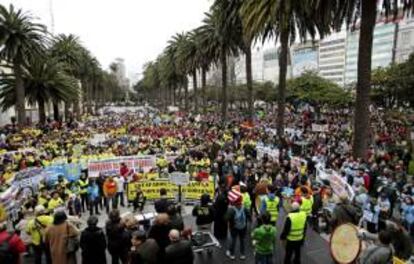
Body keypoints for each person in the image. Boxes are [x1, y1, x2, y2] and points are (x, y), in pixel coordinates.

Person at [226, 196, 249, 260]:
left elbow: (225, 218)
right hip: (243, 226)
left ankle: (232, 254)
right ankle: (242, 254)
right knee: (242, 240)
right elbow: (249, 215)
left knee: (233, 240)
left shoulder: (231, 209)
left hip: (234, 227)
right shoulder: (244, 208)